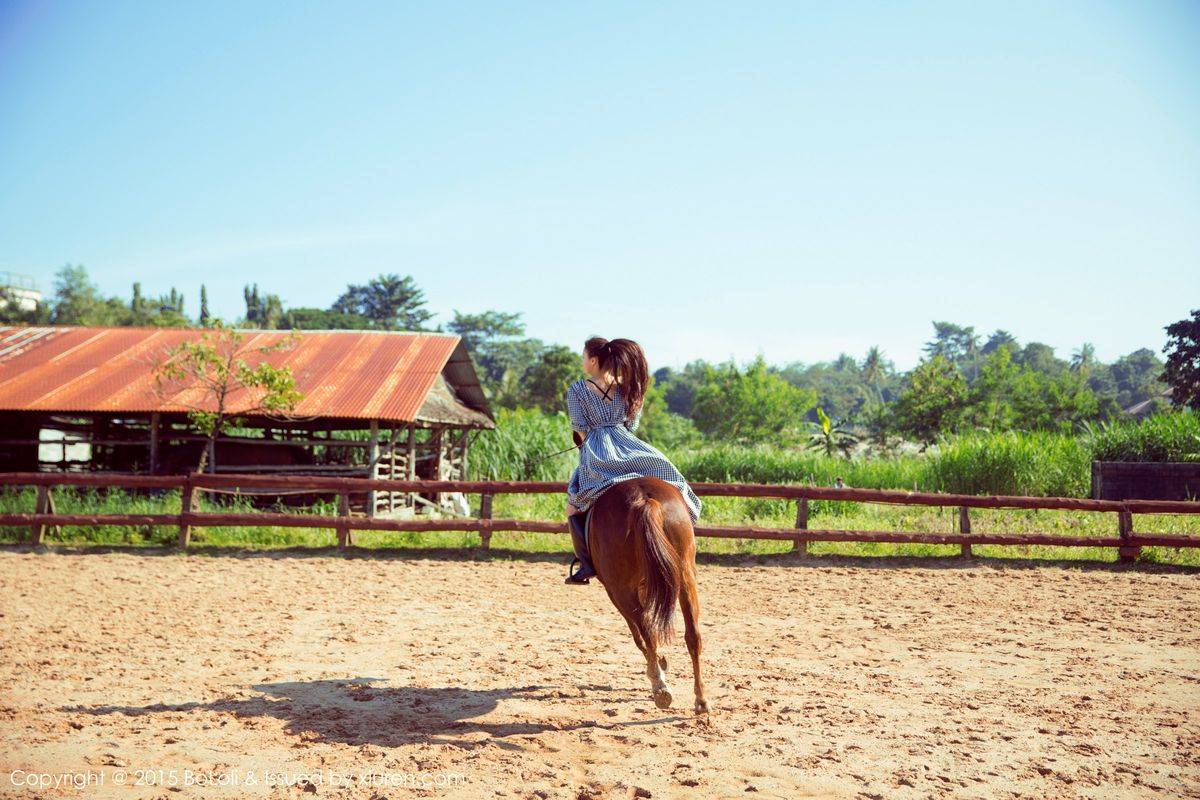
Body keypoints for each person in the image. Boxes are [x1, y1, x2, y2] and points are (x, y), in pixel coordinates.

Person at [563, 336, 702, 584]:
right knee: (671, 478)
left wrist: (594, 442)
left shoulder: (577, 389)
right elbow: (632, 425)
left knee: (574, 503)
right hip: (629, 445)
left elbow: (580, 428)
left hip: (596, 449)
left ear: (593, 360)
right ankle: (687, 532)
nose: (583, 362)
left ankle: (585, 566)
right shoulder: (628, 387)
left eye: (584, 358)